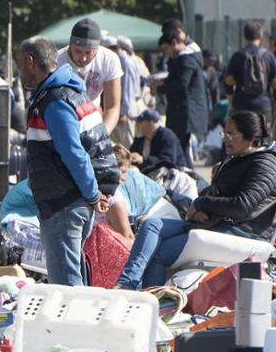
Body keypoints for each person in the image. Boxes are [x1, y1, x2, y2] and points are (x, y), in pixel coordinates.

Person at [116, 111, 276, 289]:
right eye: (225, 133)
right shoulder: (237, 159)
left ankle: (155, 302)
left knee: (159, 253)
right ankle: (126, 284)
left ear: (251, 137)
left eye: (232, 134)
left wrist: (201, 204)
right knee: (151, 225)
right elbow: (214, 191)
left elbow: (242, 206)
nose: (225, 139)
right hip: (215, 223)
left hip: (240, 232)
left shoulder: (265, 164)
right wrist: (199, 208)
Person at [17, 36, 119, 286]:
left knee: (67, 285)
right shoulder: (71, 92)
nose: (20, 73)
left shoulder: (55, 100)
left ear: (30, 61)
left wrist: (93, 194)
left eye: (20, 66)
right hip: (73, 200)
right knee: (74, 277)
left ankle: (75, 326)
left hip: (65, 203)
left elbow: (75, 154)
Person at [56, 18, 123, 136]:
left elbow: (112, 107)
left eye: (88, 53)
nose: (82, 58)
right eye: (78, 51)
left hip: (94, 122)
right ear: (70, 44)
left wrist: (101, 136)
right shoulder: (56, 62)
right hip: (63, 121)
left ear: (97, 49)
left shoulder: (109, 60)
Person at [158, 29, 208, 167]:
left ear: (174, 43)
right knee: (181, 147)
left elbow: (181, 84)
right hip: (182, 112)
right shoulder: (186, 59)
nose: (166, 53)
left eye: (166, 48)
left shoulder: (186, 60)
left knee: (181, 149)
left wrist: (160, 88)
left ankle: (189, 178)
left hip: (185, 114)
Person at [223, 21, 276, 128]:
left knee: (243, 140)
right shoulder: (268, 56)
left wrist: (232, 103)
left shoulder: (237, 56)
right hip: (263, 106)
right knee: (263, 140)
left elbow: (229, 83)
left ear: (245, 36)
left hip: (241, 107)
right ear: (261, 35)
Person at [113, 35, 141, 149]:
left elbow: (127, 88)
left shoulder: (125, 62)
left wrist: (123, 112)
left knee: (126, 146)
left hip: (126, 109)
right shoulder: (133, 60)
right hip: (129, 107)